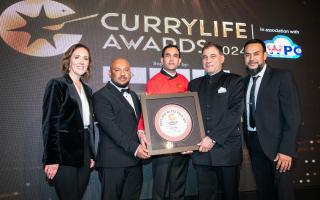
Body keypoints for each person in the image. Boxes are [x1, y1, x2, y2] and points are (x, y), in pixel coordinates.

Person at [242, 39, 301, 200]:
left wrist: (287, 151)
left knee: (284, 193)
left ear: (265, 55)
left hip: (278, 148)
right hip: (253, 144)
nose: (251, 58)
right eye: (247, 55)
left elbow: (293, 117)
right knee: (264, 190)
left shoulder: (282, 76)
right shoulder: (245, 81)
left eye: (256, 54)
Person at [188, 42, 244, 200]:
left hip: (227, 152)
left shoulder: (235, 81)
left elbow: (235, 113)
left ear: (222, 58)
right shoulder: (194, 84)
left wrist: (212, 138)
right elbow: (190, 116)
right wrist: (188, 142)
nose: (208, 60)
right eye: (205, 57)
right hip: (201, 153)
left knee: (229, 195)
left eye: (213, 56)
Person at [42, 43, 95, 200]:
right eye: (77, 57)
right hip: (64, 153)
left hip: (84, 153)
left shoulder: (88, 90)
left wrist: (91, 153)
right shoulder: (57, 85)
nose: (81, 61)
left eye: (85, 58)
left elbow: (89, 125)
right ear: (68, 61)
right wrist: (51, 158)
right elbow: (50, 124)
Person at [137, 44, 189, 200]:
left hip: (181, 143)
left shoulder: (185, 81)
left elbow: (189, 112)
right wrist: (141, 130)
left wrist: (191, 140)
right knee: (160, 189)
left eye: (175, 56)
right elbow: (146, 111)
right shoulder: (153, 82)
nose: (171, 58)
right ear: (162, 59)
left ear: (180, 61)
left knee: (179, 188)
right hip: (161, 144)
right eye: (168, 55)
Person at [93, 58, 149, 200]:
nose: (122, 74)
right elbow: (112, 129)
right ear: (109, 73)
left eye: (126, 70)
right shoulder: (100, 96)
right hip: (113, 163)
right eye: (117, 70)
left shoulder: (134, 96)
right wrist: (136, 149)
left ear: (130, 73)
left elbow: (140, 125)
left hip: (135, 162)